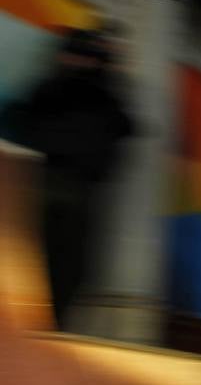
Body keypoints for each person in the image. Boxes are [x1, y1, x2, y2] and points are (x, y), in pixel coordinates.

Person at [4, 25, 134, 330]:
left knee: (57, 264)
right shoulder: (97, 95)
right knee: (60, 265)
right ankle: (46, 326)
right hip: (64, 185)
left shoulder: (62, 90)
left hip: (63, 185)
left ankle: (45, 326)